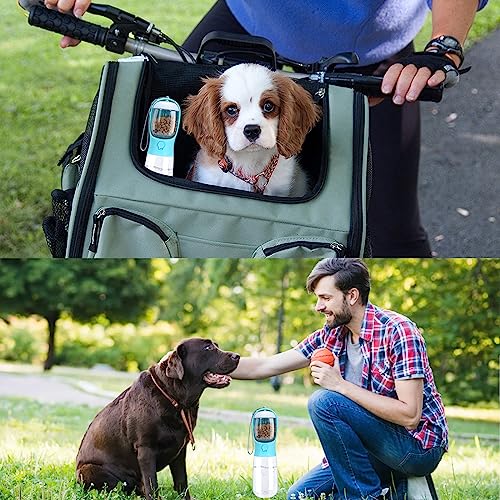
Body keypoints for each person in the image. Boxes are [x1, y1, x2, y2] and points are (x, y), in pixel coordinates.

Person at [44, 0, 488, 257]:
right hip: (247, 19)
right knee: (149, 177)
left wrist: (444, 45)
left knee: (392, 230)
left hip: (372, 53)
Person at [231, 258, 448, 499]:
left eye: (325, 298)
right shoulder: (332, 334)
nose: (318, 307)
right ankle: (399, 488)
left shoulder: (399, 331)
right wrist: (209, 366)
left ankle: (367, 495)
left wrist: (339, 386)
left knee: (324, 401)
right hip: (372, 450)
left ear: (352, 296)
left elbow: (410, 416)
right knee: (300, 496)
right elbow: (265, 365)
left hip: (415, 448)